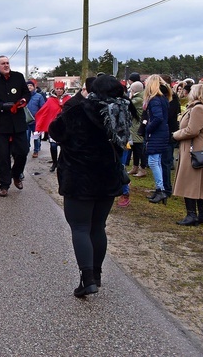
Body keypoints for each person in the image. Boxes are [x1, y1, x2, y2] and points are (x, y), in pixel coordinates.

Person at [49, 74, 134, 297]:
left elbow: (55, 131)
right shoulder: (123, 112)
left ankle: (87, 279)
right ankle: (96, 274)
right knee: (98, 227)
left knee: (80, 227)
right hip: (107, 175)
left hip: (79, 177)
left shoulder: (78, 110)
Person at [0, 56, 31, 197]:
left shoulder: (18, 76)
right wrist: (2, 106)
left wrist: (24, 100)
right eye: (3, 63)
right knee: (2, 156)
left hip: (18, 122)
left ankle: (16, 174)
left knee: (22, 151)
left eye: (8, 63)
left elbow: (27, 93)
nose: (6, 65)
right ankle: (4, 185)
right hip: (1, 123)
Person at [172, 84, 203, 225]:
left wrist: (175, 135)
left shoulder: (198, 109)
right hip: (192, 148)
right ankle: (199, 215)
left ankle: (192, 215)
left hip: (193, 149)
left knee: (190, 182)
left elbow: (192, 130)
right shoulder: (196, 107)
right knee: (196, 183)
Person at [143, 74, 171, 204]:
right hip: (162, 132)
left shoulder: (154, 100)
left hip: (157, 134)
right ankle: (160, 188)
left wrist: (148, 127)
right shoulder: (163, 98)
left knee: (153, 161)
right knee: (157, 161)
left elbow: (158, 117)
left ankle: (160, 189)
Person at [35, 81, 72, 172]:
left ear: (63, 90)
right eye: (57, 89)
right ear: (55, 89)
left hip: (65, 127)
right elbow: (43, 112)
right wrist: (38, 127)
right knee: (53, 146)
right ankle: (54, 162)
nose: (59, 91)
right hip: (54, 127)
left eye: (61, 89)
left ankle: (61, 162)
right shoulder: (50, 100)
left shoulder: (69, 99)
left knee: (64, 146)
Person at [25, 81, 45, 157]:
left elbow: (43, 108)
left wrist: (41, 119)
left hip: (35, 121)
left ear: (34, 87)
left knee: (36, 137)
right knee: (26, 137)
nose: (29, 87)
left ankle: (36, 150)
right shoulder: (24, 96)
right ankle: (26, 149)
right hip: (26, 121)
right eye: (28, 86)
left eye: (31, 85)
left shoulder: (39, 96)